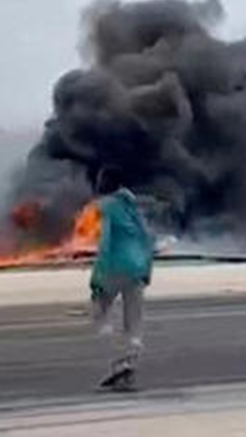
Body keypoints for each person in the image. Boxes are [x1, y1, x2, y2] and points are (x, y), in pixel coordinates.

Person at [89, 166, 154, 391]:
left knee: (101, 314)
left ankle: (118, 364)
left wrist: (97, 277)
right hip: (137, 267)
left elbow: (105, 243)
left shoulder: (106, 207)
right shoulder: (133, 206)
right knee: (134, 321)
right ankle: (130, 361)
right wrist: (147, 270)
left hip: (116, 266)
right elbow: (148, 238)